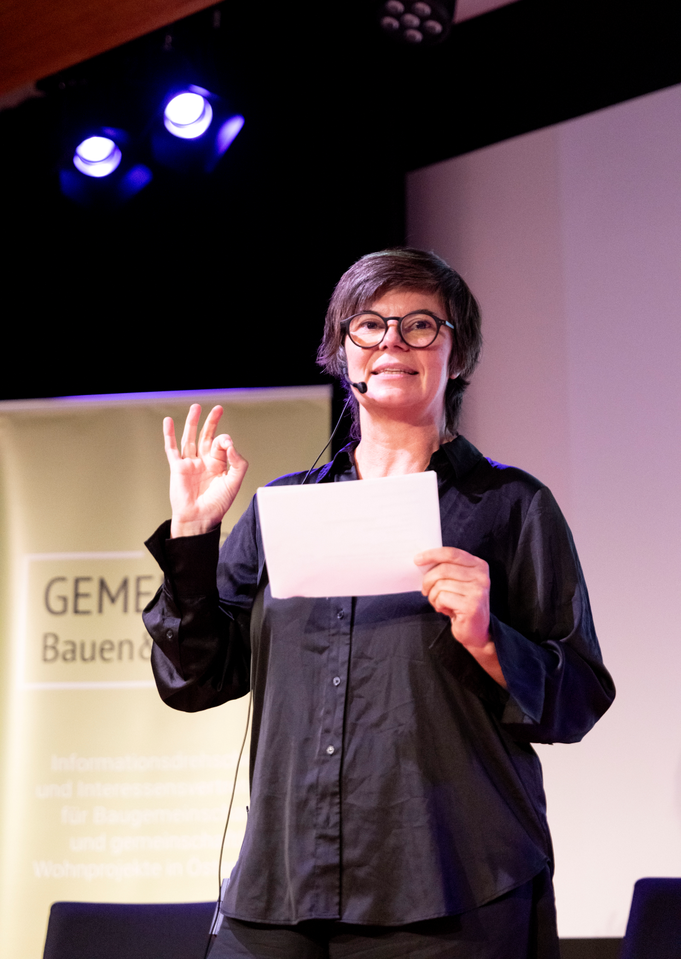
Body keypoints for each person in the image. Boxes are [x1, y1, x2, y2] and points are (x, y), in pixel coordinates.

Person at [143, 248, 615, 959]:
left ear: (458, 355)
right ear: (341, 351)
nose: (392, 341)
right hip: (282, 886)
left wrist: (489, 637)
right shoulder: (282, 508)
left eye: (421, 325)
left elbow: (578, 698)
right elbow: (194, 681)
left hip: (451, 885)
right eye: (368, 325)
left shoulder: (510, 505)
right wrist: (192, 536)